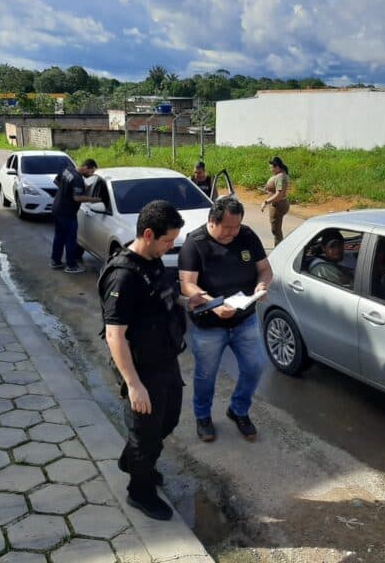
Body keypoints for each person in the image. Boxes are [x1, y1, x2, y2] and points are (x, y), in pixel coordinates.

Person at [99, 200, 205, 520]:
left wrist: (192, 300)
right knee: (145, 434)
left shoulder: (154, 261)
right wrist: (133, 385)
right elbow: (114, 335)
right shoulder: (123, 276)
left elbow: (162, 302)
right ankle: (140, 491)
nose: (171, 246)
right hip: (141, 368)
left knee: (168, 420)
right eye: (167, 240)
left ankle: (132, 460)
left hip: (166, 359)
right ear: (148, 234)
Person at [179, 198, 273, 442]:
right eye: (227, 228)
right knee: (206, 375)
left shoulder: (247, 236)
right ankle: (203, 417)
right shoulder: (195, 243)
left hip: (244, 319)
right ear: (212, 221)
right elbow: (187, 284)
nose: (233, 233)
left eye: (236, 227)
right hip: (209, 325)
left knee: (254, 367)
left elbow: (264, 268)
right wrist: (215, 305)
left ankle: (238, 410)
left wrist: (262, 285)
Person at [50, 158, 100, 274]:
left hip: (57, 208)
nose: (91, 174)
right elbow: (77, 198)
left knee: (59, 236)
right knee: (70, 239)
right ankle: (71, 265)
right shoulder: (78, 179)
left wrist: (69, 191)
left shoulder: (67, 169)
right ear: (86, 167)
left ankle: (55, 261)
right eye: (91, 172)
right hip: (67, 213)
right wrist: (93, 200)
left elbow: (57, 182)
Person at [260, 156, 290, 246]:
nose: (270, 170)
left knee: (276, 230)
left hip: (278, 205)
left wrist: (266, 202)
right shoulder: (278, 175)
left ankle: (279, 248)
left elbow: (279, 194)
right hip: (276, 204)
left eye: (271, 168)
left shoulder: (281, 177)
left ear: (277, 167)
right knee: (276, 229)